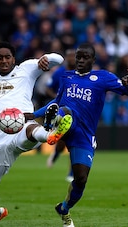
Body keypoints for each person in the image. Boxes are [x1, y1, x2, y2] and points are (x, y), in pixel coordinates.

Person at [0, 7, 73, 227]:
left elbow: (58, 59)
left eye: (7, 57)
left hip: (22, 124)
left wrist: (46, 58)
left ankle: (50, 133)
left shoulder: (27, 68)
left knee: (29, 130)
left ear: (14, 58)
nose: (3, 61)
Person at [33, 43, 128, 227]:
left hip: (84, 135)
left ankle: (64, 208)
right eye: (77, 56)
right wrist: (33, 115)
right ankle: (53, 124)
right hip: (67, 119)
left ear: (93, 60)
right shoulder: (67, 77)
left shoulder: (103, 77)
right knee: (64, 110)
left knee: (81, 179)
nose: (79, 60)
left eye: (84, 57)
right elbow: (55, 102)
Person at [45, 49, 76, 182]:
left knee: (74, 142)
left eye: (73, 56)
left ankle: (71, 173)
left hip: (76, 111)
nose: (72, 59)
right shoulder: (58, 72)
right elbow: (48, 88)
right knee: (62, 142)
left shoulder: (80, 73)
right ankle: (56, 154)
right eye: (69, 56)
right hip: (62, 110)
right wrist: (58, 99)